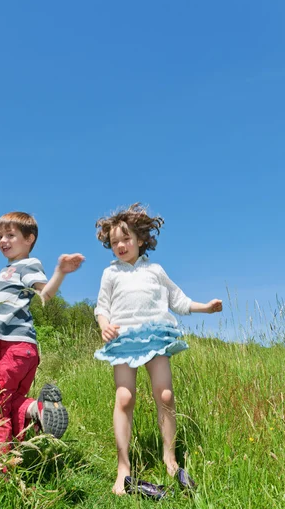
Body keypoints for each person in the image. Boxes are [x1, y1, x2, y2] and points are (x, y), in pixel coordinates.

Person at [94, 203, 222, 494]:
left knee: (165, 394)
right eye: (115, 242)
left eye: (126, 239)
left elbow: (177, 299)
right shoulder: (110, 274)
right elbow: (101, 307)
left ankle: (170, 457)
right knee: (124, 398)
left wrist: (205, 307)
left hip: (155, 337)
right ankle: (123, 467)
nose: (121, 245)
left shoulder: (155, 270)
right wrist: (104, 325)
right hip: (124, 341)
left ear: (140, 239)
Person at [0, 211, 84, 464]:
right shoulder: (6, 272)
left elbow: (45, 295)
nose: (3, 240)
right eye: (0, 236)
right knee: (10, 401)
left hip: (10, 348)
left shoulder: (27, 265)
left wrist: (60, 272)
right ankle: (39, 410)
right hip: (23, 351)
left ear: (29, 239)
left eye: (10, 235)